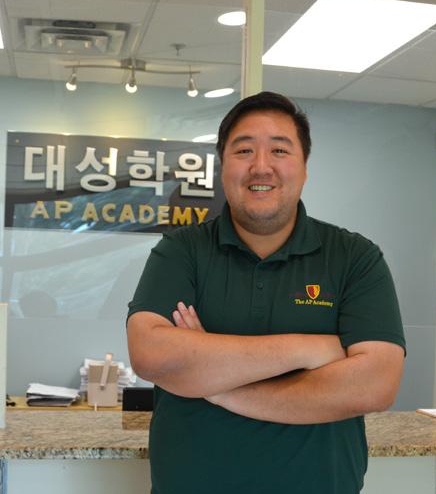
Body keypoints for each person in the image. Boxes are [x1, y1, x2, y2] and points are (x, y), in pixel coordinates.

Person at [127, 91, 405, 494]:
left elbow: (376, 384)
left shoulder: (354, 257)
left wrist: (216, 387)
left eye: (279, 150)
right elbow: (151, 354)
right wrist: (307, 349)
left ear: (304, 167)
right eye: (244, 150)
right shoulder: (182, 250)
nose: (261, 167)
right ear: (223, 167)